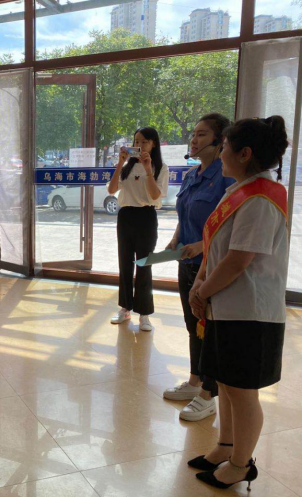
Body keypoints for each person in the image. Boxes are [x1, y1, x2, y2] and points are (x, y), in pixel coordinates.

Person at [188, 116, 289, 490]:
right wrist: (200, 283)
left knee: (243, 393)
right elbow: (216, 247)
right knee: (227, 384)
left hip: (251, 313)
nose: (221, 154)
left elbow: (238, 259)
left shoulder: (261, 198)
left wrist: (202, 291)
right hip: (227, 307)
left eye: (225, 147)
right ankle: (225, 447)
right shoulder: (240, 191)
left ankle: (241, 464)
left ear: (244, 154)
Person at [163, 113, 235, 422]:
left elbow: (229, 225)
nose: (194, 140)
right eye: (194, 133)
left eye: (202, 134)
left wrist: (202, 247)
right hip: (187, 263)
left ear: (220, 141)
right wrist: (175, 240)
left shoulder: (227, 177)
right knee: (193, 325)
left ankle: (208, 393)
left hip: (211, 266)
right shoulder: (193, 174)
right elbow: (185, 214)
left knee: (210, 330)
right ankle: (194, 380)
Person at [107, 127, 169, 332]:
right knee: (125, 263)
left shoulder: (161, 167)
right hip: (125, 216)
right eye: (136, 141)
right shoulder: (127, 167)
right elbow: (112, 190)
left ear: (153, 144)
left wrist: (149, 170)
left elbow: (155, 195)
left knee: (144, 264)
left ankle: (144, 313)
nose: (139, 145)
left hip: (146, 217)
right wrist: (120, 163)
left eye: (144, 142)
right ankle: (125, 308)